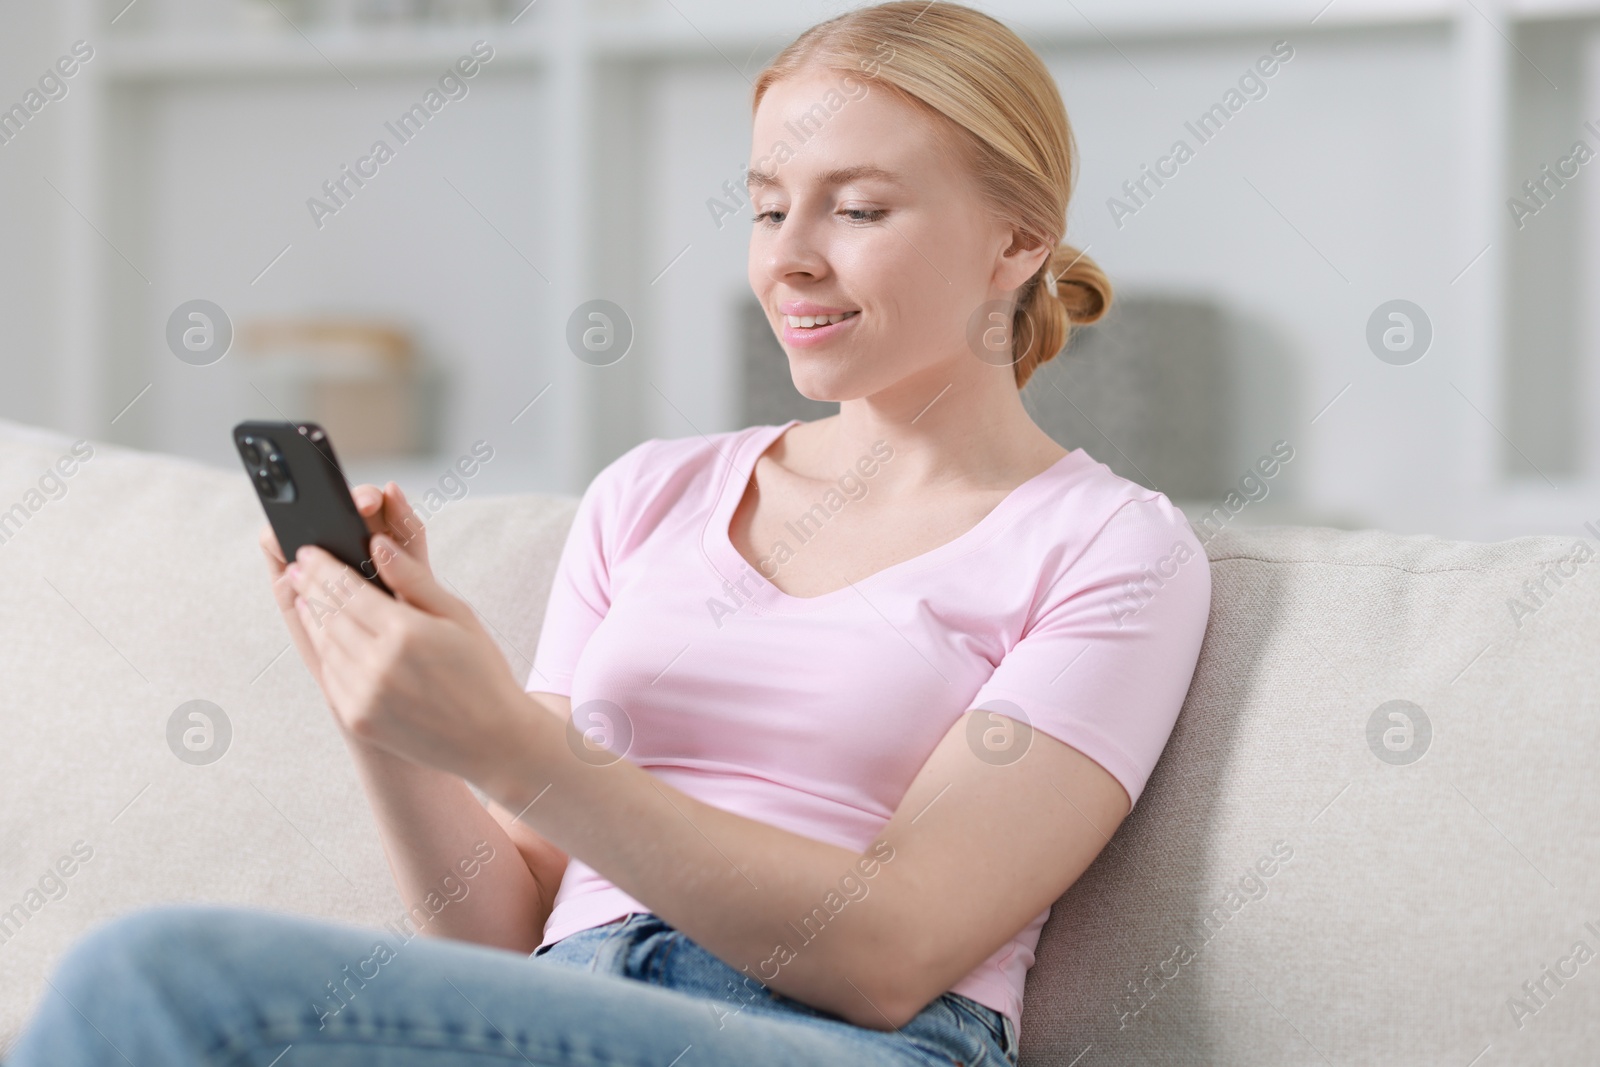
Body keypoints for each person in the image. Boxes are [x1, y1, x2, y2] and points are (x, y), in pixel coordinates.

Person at [5, 2, 1209, 1063]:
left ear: (1017, 239)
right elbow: (505, 926)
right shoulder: (649, 496)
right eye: (766, 205)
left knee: (156, 981)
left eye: (857, 207)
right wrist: (394, 716)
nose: (788, 258)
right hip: (565, 1004)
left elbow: (892, 951)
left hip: (842, 1038)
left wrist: (516, 742)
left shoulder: (1109, 548)